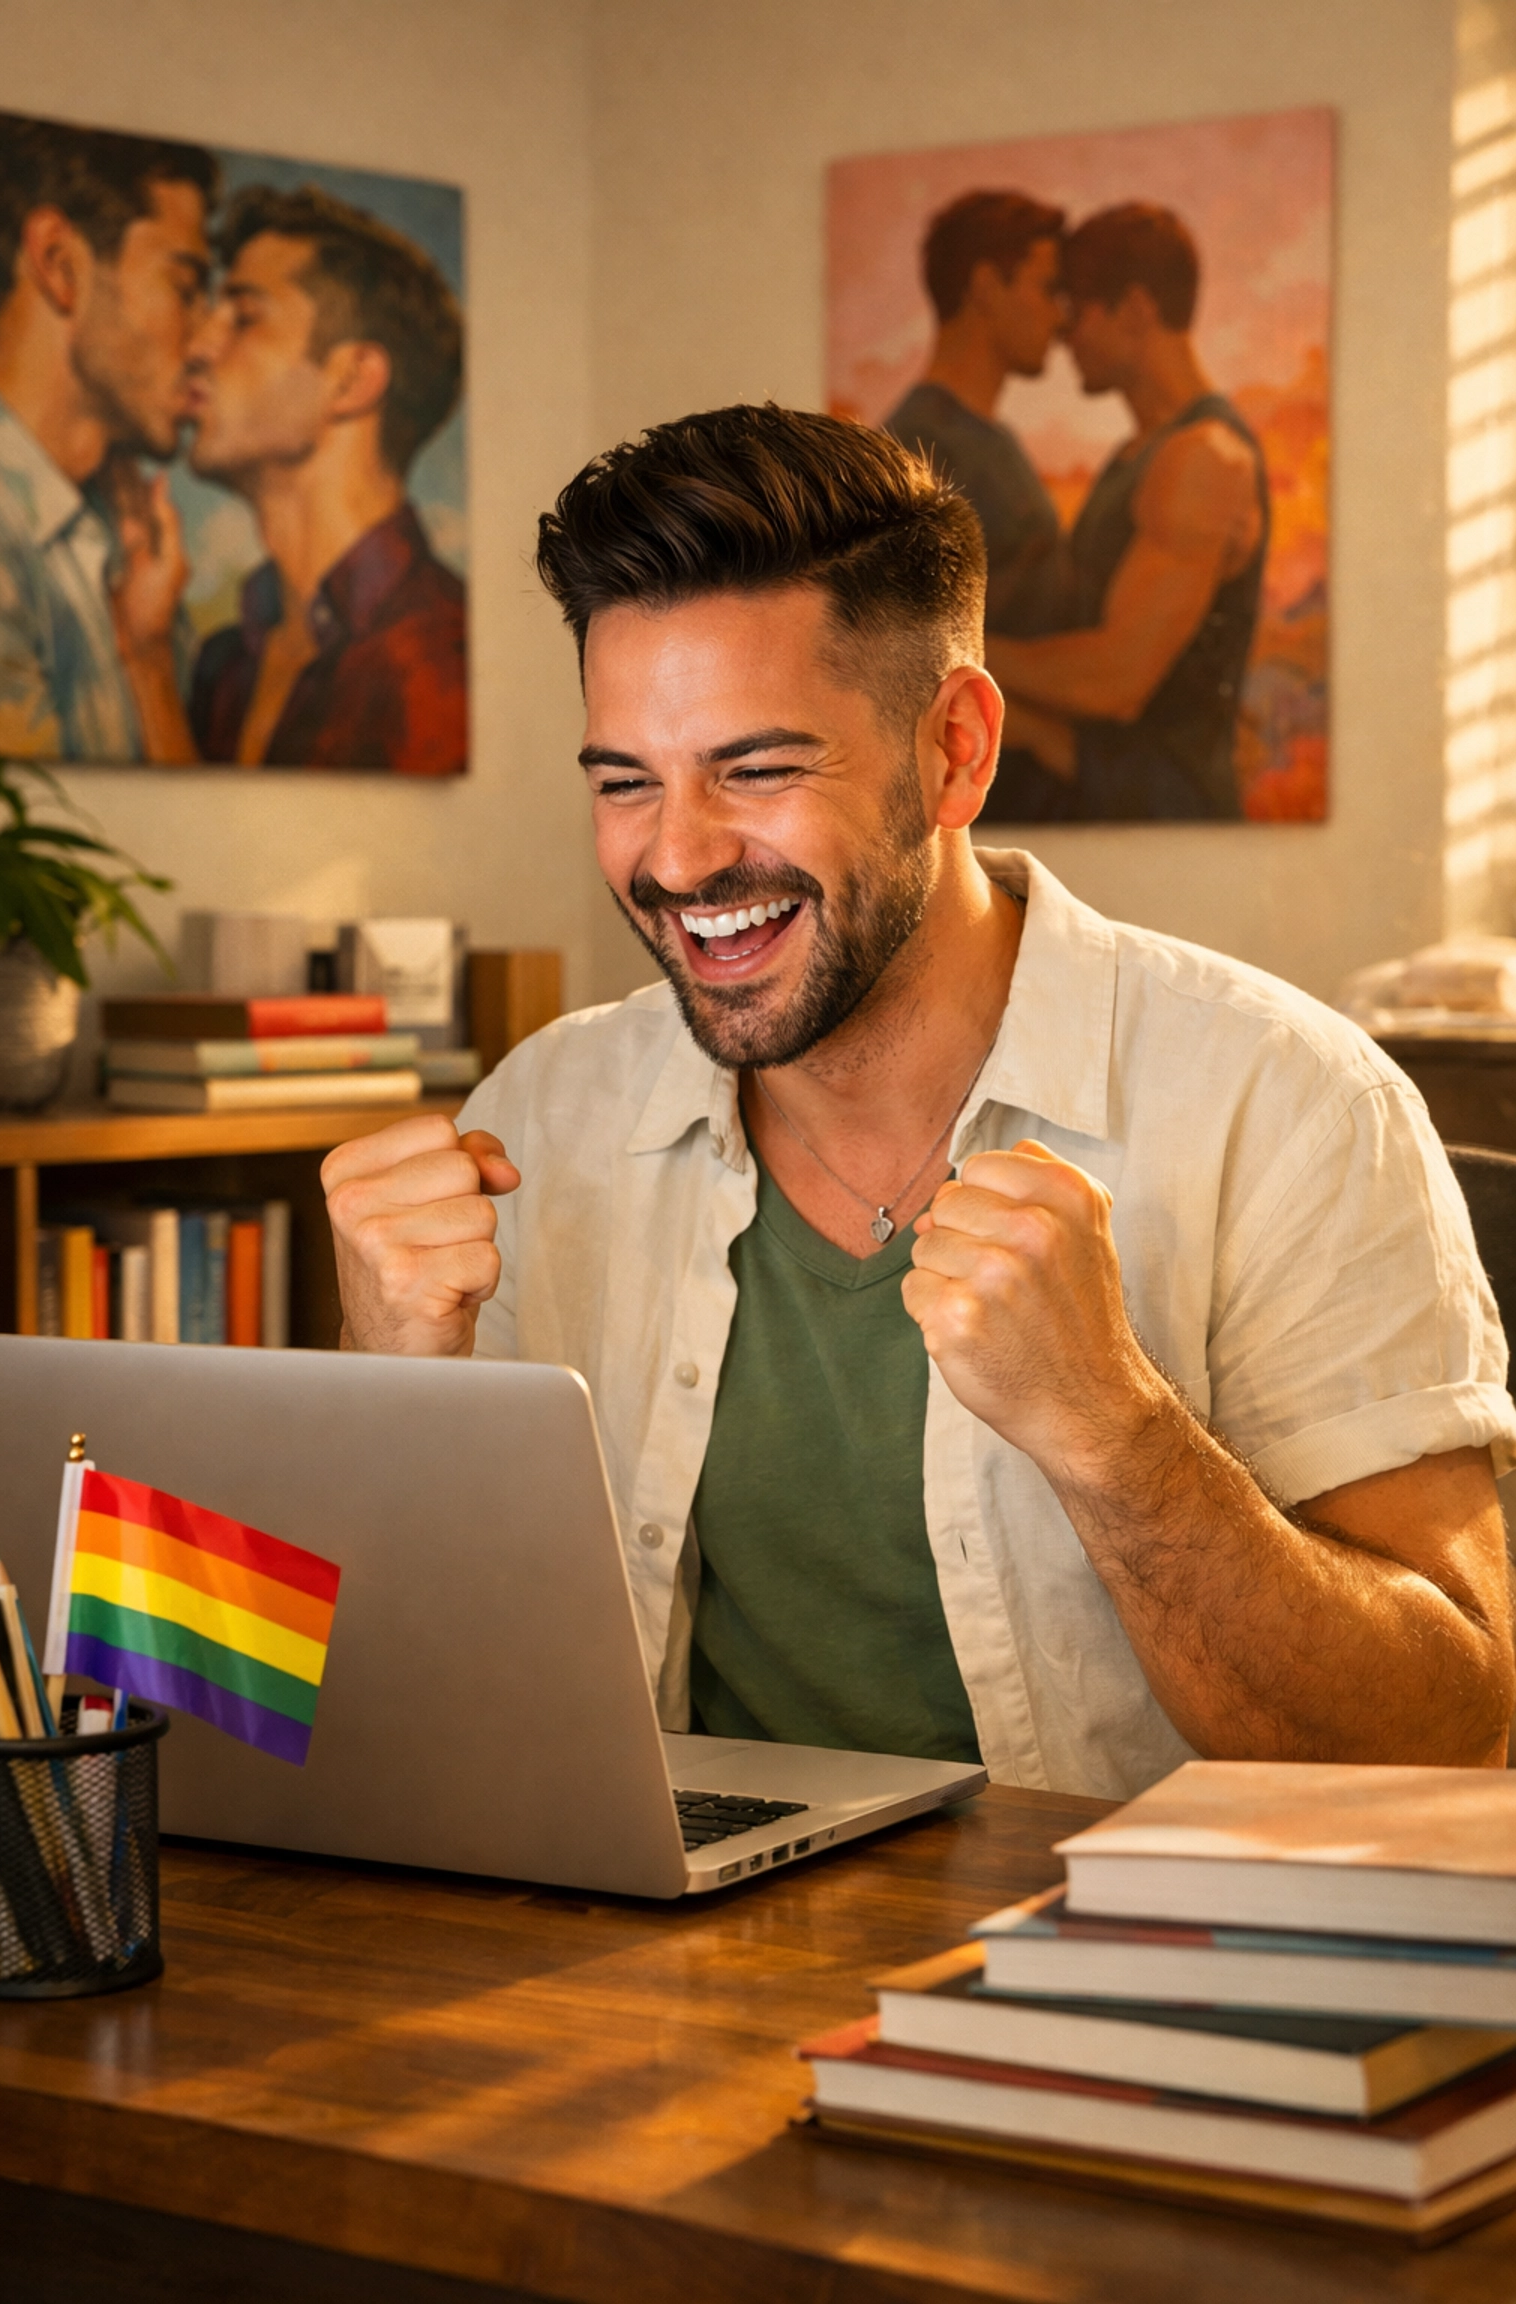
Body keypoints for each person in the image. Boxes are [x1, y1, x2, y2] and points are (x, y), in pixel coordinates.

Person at [322, 404, 1514, 1802]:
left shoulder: (1287, 1102)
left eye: (759, 769)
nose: (682, 857)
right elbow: (380, 1725)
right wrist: (383, 1383)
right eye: (626, 783)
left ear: (955, 748)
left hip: (1116, 1977)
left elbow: (1447, 1737)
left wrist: (1114, 1432)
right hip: (651, 1977)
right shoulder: (542, 1119)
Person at [116, 185, 466, 774]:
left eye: (245, 318)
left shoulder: (438, 651)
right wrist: (148, 658)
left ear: (352, 379)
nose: (198, 345)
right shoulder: (226, 662)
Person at [989, 203, 1268, 822]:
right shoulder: (1136, 455)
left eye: (1077, 312)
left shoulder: (1204, 458)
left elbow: (1114, 680)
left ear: (1137, 311)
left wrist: (949, 647)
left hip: (1174, 820)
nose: (1064, 337)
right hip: (1109, 805)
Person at [0, 109, 216, 763]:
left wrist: (150, 661)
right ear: (60, 265)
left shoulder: (125, 539)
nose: (206, 343)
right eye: (185, 287)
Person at [884, 190, 1073, 825]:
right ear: (987, 284)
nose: (1059, 314)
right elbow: (903, 645)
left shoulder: (990, 441)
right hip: (993, 784)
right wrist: (1039, 732)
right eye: (1047, 288)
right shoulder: (925, 450)